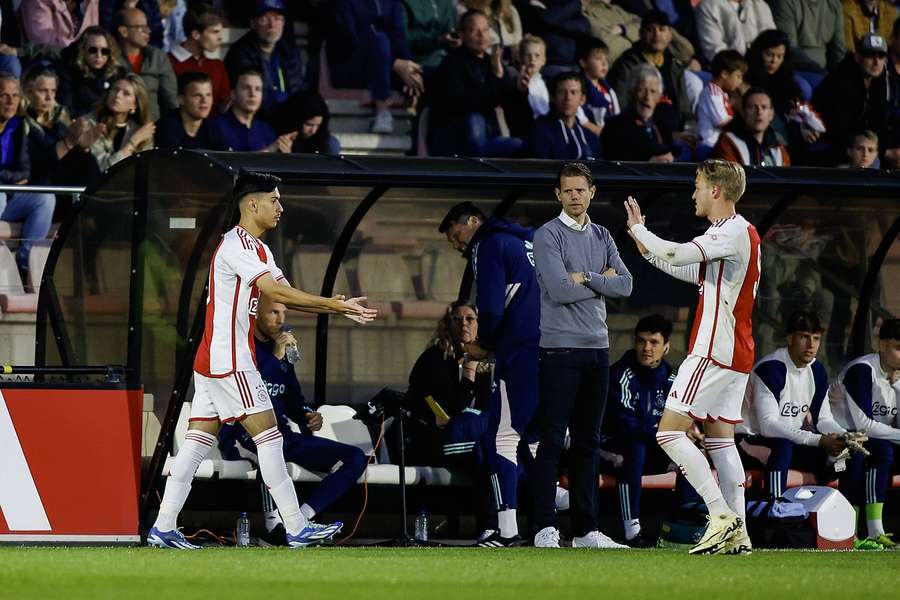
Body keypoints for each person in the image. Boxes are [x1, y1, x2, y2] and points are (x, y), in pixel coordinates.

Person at [148, 170, 377, 550]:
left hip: (216, 362)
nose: (280, 206)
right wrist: (334, 306)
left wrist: (335, 306)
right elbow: (274, 291)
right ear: (252, 204)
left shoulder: (261, 249)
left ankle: (163, 526)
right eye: (274, 199)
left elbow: (283, 291)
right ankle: (295, 526)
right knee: (270, 436)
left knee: (195, 443)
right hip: (231, 360)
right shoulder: (235, 245)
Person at [625, 159, 761, 555]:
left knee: (668, 432)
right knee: (721, 442)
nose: (694, 193)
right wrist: (649, 250)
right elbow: (691, 271)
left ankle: (720, 516)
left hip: (714, 349)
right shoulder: (741, 233)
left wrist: (640, 230)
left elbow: (680, 253)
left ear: (716, 190)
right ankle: (740, 535)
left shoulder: (730, 231)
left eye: (698, 185)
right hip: (736, 352)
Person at [530, 161, 633, 549]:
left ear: (592, 192)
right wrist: (601, 281)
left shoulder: (604, 234)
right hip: (559, 349)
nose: (574, 196)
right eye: (567, 190)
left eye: (580, 190)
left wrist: (586, 277)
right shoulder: (547, 235)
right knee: (554, 439)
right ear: (558, 195)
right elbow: (558, 289)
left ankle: (587, 530)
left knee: (588, 441)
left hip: (597, 348)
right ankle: (544, 526)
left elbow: (625, 284)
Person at [217, 297, 369, 546]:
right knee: (270, 450)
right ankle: (273, 527)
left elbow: (293, 400)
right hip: (244, 434)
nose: (281, 320)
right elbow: (250, 390)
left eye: (284, 313)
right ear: (255, 314)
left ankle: (300, 519)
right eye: (274, 313)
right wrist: (277, 359)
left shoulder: (283, 354)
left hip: (283, 435)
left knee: (355, 458)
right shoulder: (241, 348)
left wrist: (308, 415)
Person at [438, 200, 540, 547]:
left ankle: (507, 530)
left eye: (456, 235)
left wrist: (485, 345)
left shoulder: (488, 243)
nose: (458, 245)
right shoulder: (530, 241)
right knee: (540, 439)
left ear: (472, 221)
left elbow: (493, 308)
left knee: (502, 437)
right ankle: (548, 527)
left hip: (520, 350)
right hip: (556, 348)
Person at [405, 301, 497, 538]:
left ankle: (501, 524)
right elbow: (423, 401)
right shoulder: (435, 359)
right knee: (482, 451)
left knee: (493, 450)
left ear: (479, 324)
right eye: (457, 319)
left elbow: (489, 407)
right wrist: (468, 375)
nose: (464, 324)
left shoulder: (490, 362)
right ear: (448, 325)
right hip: (440, 438)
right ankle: (490, 525)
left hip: (475, 436)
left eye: (470, 319)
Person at [602, 314, 695, 547]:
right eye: (641, 341)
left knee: (690, 453)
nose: (646, 348)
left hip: (653, 444)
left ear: (666, 347)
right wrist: (663, 431)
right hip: (611, 448)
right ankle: (632, 531)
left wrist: (685, 433)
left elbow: (681, 418)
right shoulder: (620, 375)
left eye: (654, 342)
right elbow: (626, 425)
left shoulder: (673, 379)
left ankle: (685, 525)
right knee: (635, 449)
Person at [737, 311, 846, 499]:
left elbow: (823, 419)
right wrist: (817, 440)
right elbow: (768, 426)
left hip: (790, 441)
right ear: (789, 338)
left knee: (847, 455)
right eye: (804, 337)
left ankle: (839, 516)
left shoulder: (817, 370)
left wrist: (844, 437)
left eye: (816, 338)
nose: (811, 345)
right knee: (783, 446)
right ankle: (774, 506)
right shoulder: (771, 368)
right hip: (748, 440)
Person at [822, 318, 900, 549]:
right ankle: (851, 533)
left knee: (880, 450)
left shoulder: (897, 376)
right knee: (866, 452)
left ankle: (875, 532)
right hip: (835, 442)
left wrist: (896, 387)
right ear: (883, 345)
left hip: (871, 443)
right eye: (899, 347)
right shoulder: (862, 370)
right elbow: (864, 424)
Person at [428, 10, 522, 157]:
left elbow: (506, 99)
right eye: (474, 30)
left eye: (485, 29)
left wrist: (516, 85)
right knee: (474, 118)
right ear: (462, 35)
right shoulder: (453, 62)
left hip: (488, 131)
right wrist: (496, 79)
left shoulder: (492, 61)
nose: (481, 35)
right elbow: (463, 102)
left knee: (520, 144)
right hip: (457, 134)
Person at [327, 0, 424, 133]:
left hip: (384, 66)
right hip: (349, 65)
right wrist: (395, 64)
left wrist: (409, 72)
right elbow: (348, 41)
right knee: (380, 41)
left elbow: (399, 39)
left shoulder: (392, 3)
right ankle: (382, 110)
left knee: (428, 74)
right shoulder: (345, 3)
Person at [0, 73, 55, 288]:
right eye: (4, 95)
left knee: (45, 198)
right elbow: (16, 176)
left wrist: (8, 178)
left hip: (9, 195)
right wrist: (10, 179)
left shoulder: (17, 126)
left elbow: (25, 171)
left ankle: (25, 264)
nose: (10, 101)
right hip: (3, 195)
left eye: (14, 95)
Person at [608, 9, 692, 134]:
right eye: (650, 29)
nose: (657, 34)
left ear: (670, 35)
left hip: (679, 131)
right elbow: (623, 106)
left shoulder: (672, 63)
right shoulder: (629, 64)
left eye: (662, 29)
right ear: (640, 34)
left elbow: (687, 52)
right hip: (645, 133)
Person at [813, 33, 892, 165]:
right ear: (857, 57)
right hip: (832, 144)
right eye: (870, 56)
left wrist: (883, 149)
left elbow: (880, 118)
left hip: (858, 143)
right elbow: (838, 127)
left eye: (881, 56)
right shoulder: (842, 79)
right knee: (873, 161)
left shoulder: (879, 76)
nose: (876, 62)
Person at [21, 68, 101, 190]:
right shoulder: (20, 123)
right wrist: (68, 142)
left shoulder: (60, 121)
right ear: (28, 92)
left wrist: (83, 147)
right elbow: (39, 165)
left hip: (67, 183)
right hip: (42, 186)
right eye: (43, 91)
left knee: (88, 160)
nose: (49, 97)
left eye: (53, 91)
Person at [224, 0, 304, 114]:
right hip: (256, 116)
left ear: (284, 23)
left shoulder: (289, 52)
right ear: (253, 23)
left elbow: (299, 88)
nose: (272, 25)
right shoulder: (240, 53)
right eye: (264, 19)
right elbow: (251, 95)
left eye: (277, 19)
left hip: (287, 115)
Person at [113, 7, 179, 122]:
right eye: (141, 28)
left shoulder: (158, 57)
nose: (148, 31)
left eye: (147, 27)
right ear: (124, 31)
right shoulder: (110, 58)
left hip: (152, 127)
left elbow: (170, 99)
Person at [602, 64, 676, 162]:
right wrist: (647, 164)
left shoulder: (662, 126)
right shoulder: (615, 126)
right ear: (631, 92)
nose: (647, 98)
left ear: (659, 97)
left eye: (653, 92)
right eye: (641, 90)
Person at [209, 69, 292, 152]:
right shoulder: (216, 127)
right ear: (233, 94)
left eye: (258, 89)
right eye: (246, 88)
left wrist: (284, 155)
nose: (252, 94)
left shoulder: (266, 130)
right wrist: (269, 151)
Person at [168, 6, 231, 112]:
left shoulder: (217, 65)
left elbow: (226, 103)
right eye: (215, 32)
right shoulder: (169, 62)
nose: (220, 38)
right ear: (196, 34)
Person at [87, 73, 155, 171]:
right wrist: (132, 143)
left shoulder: (141, 130)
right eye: (115, 90)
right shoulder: (91, 124)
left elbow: (145, 170)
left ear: (135, 105)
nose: (118, 95)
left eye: (126, 93)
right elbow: (105, 169)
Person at [772, 0, 846, 88]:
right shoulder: (786, 3)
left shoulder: (833, 4)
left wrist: (844, 74)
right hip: (796, 68)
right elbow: (789, 49)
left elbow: (839, 49)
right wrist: (821, 72)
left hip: (823, 71)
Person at [58, 26, 128, 118]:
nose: (99, 55)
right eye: (93, 50)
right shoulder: (69, 72)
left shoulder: (118, 73)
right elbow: (66, 109)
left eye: (104, 51)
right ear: (82, 50)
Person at [711, 87, 791, 166]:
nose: (759, 112)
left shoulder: (779, 149)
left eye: (764, 107)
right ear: (742, 112)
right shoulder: (728, 144)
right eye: (752, 107)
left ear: (771, 114)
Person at [529, 72, 601, 159]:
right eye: (561, 92)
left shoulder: (590, 136)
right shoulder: (540, 131)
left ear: (582, 99)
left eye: (573, 92)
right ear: (553, 97)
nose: (568, 98)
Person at [696, 50, 746, 155]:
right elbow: (722, 122)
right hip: (709, 146)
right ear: (724, 74)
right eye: (738, 76)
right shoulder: (712, 93)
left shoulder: (722, 94)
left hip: (717, 145)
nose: (740, 81)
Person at [155, 72, 222, 150]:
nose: (204, 100)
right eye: (197, 95)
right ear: (181, 99)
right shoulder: (166, 128)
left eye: (208, 95)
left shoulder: (214, 128)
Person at [694, 0, 775, 63]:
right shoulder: (709, 6)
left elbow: (774, 42)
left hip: (763, 69)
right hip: (730, 73)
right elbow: (715, 52)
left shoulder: (761, 5)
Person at [268, 92, 341, 155]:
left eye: (318, 125)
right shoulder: (275, 134)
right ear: (297, 120)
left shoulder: (327, 143)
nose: (313, 131)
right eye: (309, 125)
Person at [400, 0, 459, 70]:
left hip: (447, 61)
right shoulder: (404, 3)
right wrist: (437, 40)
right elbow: (404, 42)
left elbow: (452, 31)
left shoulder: (446, 3)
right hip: (418, 63)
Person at [578, 38, 619, 135]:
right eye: (598, 59)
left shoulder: (608, 88)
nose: (604, 63)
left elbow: (617, 115)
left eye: (606, 59)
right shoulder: (579, 88)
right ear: (583, 62)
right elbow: (581, 120)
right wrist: (606, 135)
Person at [20, 0, 99, 49]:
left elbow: (94, 35)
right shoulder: (38, 2)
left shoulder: (89, 2)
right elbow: (44, 43)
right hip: (47, 60)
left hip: (80, 59)